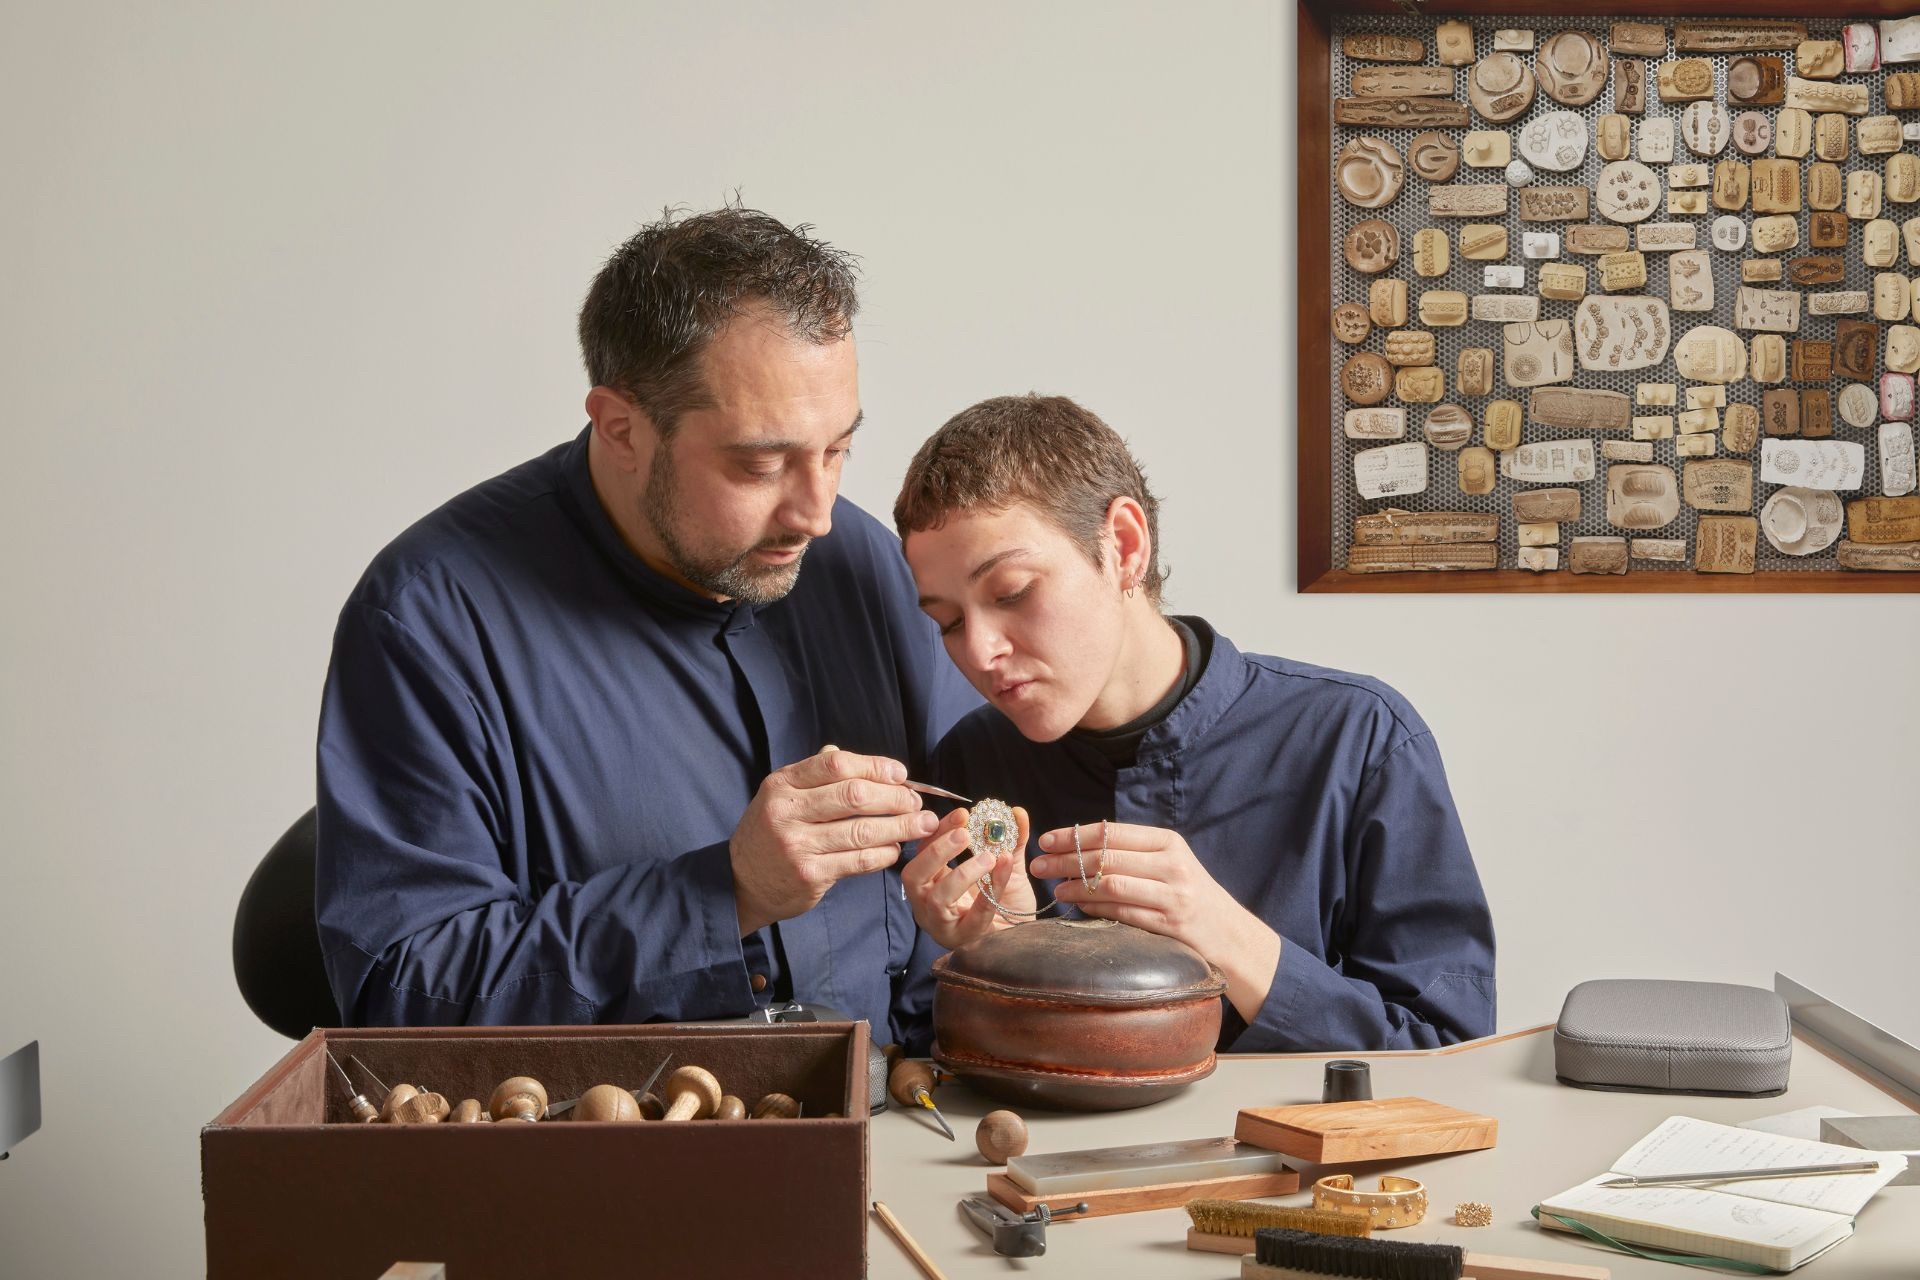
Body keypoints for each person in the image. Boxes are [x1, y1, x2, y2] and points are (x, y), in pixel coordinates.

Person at [315, 205, 978, 1041]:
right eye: (761, 463)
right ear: (622, 429)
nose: (816, 513)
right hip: (612, 1160)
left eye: (837, 449)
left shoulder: (862, 565)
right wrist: (725, 892)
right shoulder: (429, 620)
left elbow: (967, 885)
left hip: (906, 1140)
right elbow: (401, 998)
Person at [892, 394, 1495, 1051]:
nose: (978, 654)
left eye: (1011, 593)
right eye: (947, 621)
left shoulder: (1357, 739)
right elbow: (923, 1062)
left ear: (1123, 546)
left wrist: (1225, 934)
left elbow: (1446, 1054)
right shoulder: (969, 770)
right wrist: (998, 954)